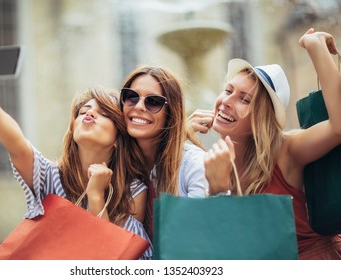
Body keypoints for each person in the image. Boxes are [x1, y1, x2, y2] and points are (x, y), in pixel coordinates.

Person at [0, 46, 152, 259]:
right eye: (84, 111)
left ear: (118, 139)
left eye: (103, 113)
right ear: (72, 130)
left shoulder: (133, 192)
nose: (90, 113)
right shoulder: (48, 176)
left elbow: (109, 263)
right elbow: (16, 143)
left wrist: (96, 195)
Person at [200, 28, 341, 259]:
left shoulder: (286, 151)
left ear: (262, 117)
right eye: (228, 91)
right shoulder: (218, 161)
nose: (226, 101)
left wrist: (314, 46)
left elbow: (338, 126)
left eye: (244, 99)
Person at [120, 66, 209, 239]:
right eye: (131, 97)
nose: (139, 106)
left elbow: (195, 238)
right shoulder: (117, 164)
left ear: (171, 113)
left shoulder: (196, 165)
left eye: (153, 101)